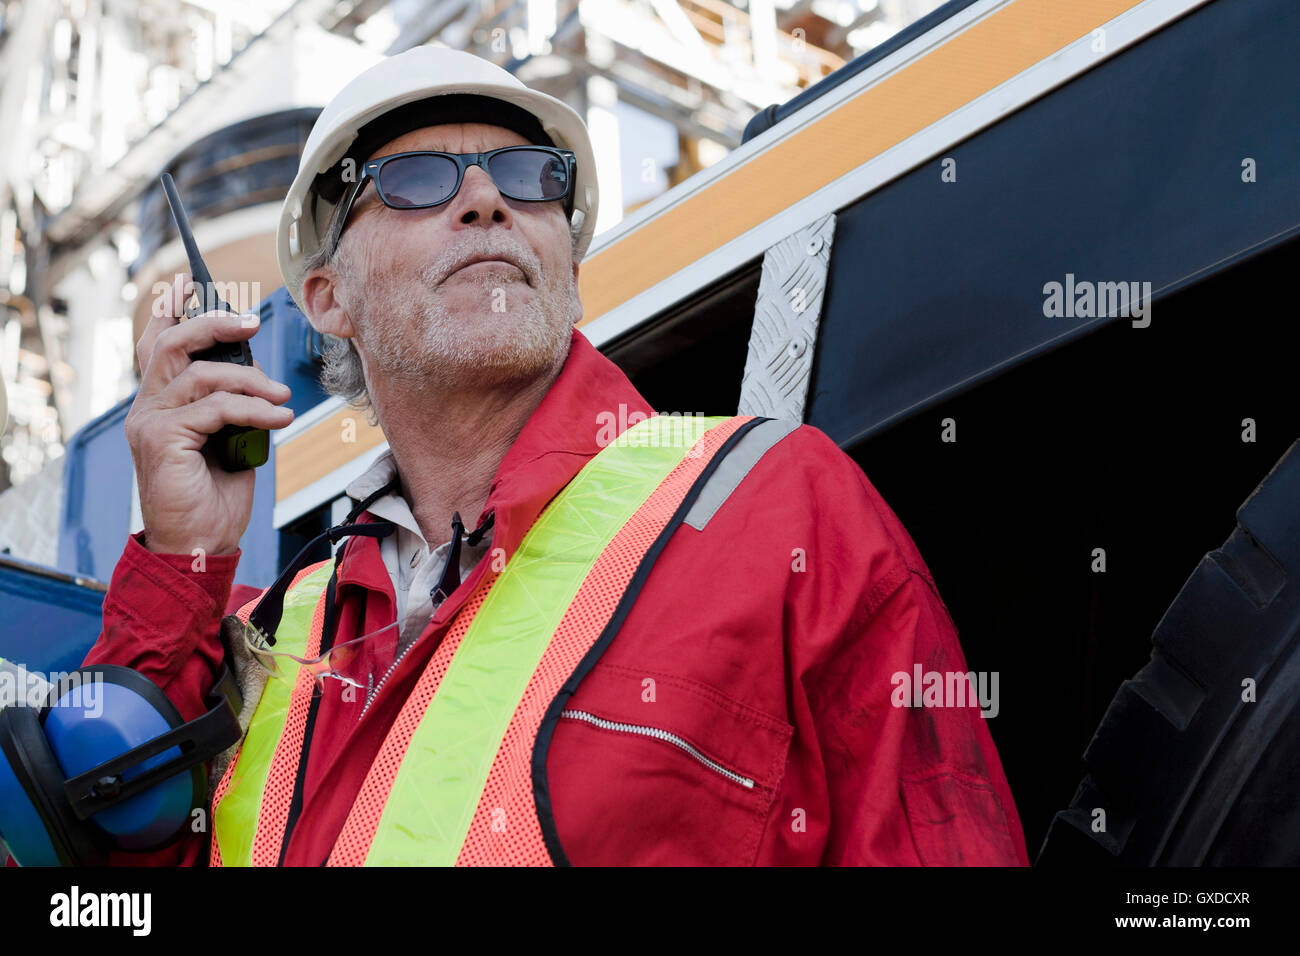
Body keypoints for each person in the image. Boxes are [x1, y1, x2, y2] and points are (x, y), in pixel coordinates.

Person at [84, 46, 1028, 866]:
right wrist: (181, 565)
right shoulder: (270, 638)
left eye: (529, 176)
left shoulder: (782, 510)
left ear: (567, 267)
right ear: (329, 299)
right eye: (417, 181)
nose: (489, 200)